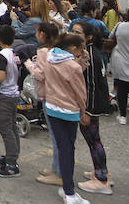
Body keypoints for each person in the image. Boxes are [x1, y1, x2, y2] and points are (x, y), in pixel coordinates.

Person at [37, 32, 90, 204]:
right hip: (69, 111)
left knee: (63, 148)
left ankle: (67, 188)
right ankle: (69, 191)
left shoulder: (51, 57)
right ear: (74, 48)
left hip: (52, 108)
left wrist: (80, 61)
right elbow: (80, 92)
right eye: (80, 49)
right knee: (68, 150)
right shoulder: (72, 66)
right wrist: (83, 111)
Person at [70, 21, 112, 196]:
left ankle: (102, 178)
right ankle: (100, 170)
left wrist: (87, 111)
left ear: (89, 37)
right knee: (92, 140)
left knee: (94, 141)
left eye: (78, 33)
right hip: (87, 104)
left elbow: (93, 86)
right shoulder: (86, 53)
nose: (73, 34)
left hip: (91, 106)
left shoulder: (91, 56)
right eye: (73, 31)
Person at [25, 22, 63, 186]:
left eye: (37, 32)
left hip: (48, 94)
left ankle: (59, 173)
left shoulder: (42, 51)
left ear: (42, 34)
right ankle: (56, 168)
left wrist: (29, 65)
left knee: (55, 136)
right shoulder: (56, 49)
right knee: (56, 135)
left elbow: (41, 75)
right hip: (57, 94)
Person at [0, 25, 21, 178]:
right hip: (14, 92)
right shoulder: (14, 53)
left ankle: (11, 165)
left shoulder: (1, 56)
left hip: (4, 95)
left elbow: (0, 77)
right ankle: (11, 156)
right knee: (12, 127)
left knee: (6, 129)